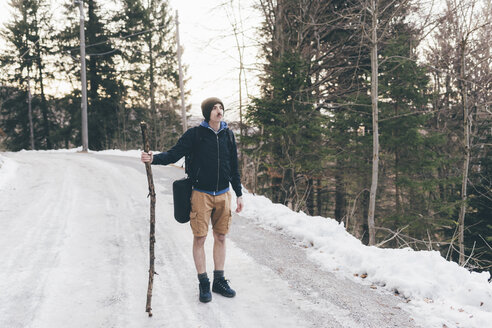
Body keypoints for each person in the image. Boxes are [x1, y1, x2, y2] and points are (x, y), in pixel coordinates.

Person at [141, 97, 244, 303]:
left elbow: (234, 167)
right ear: (207, 113)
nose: (219, 110)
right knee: (200, 238)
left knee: (221, 237)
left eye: (220, 107)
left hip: (224, 194)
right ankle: (203, 283)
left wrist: (239, 193)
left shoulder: (228, 135)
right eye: (214, 108)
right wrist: (154, 159)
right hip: (200, 194)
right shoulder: (195, 135)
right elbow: (174, 154)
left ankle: (219, 280)